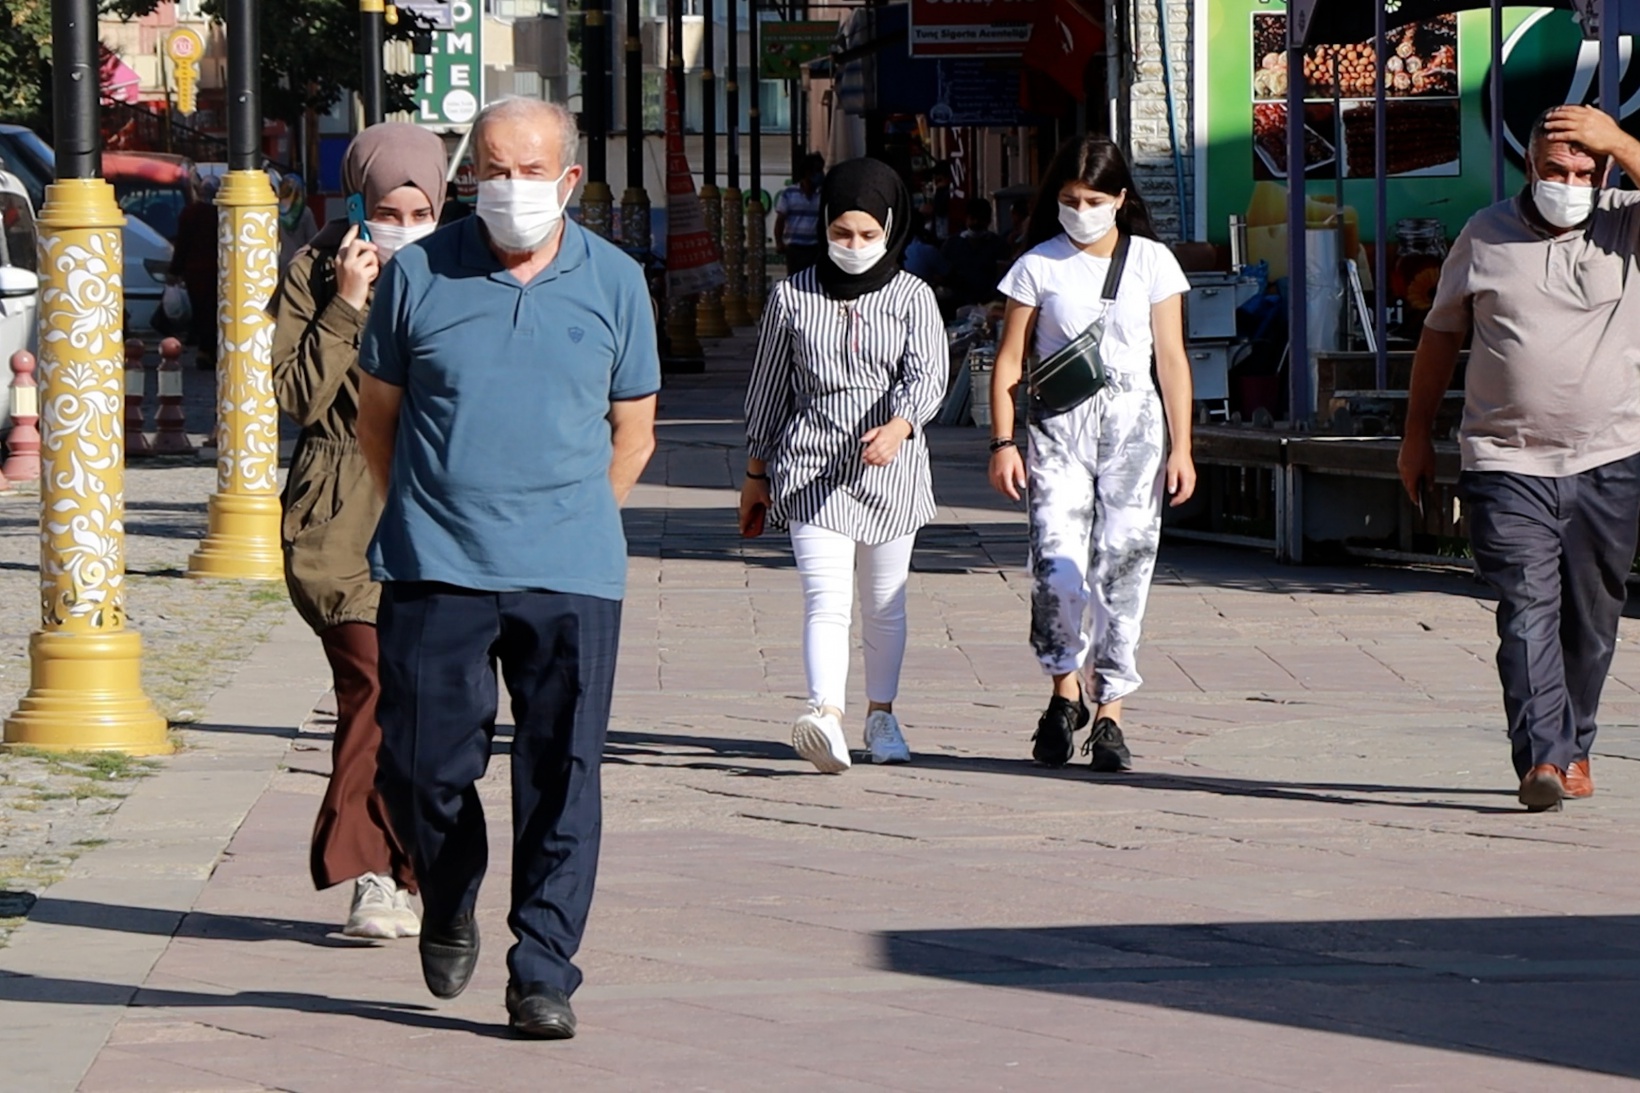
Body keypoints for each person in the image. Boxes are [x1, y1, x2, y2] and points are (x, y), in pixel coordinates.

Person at [357, 97, 660, 1039]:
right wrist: (425, 506)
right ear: (466, 177)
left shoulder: (614, 282)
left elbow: (635, 432)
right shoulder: (418, 278)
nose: (509, 187)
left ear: (568, 181)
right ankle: (447, 893)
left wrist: (570, 522)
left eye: (529, 171)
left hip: (568, 569)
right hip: (435, 562)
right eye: (491, 169)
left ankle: (542, 968)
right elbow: (377, 420)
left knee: (562, 772)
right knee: (416, 767)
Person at [1398, 105, 1640, 813]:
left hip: (1611, 456)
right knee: (1526, 605)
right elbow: (1441, 336)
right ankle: (1541, 755)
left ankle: (1576, 744)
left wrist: (1622, 142)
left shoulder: (1625, 221)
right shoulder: (1484, 234)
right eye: (1556, 170)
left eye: (1584, 172)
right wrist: (1417, 434)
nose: (1570, 182)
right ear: (1529, 168)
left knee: (1591, 622)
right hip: (1506, 460)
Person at [271, 123, 447, 939]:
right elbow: (298, 397)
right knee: (371, 686)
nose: (403, 223)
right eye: (387, 208)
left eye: (419, 209)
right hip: (341, 513)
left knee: (430, 708)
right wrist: (346, 303)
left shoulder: (465, 270)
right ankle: (372, 874)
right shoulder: (316, 270)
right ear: (359, 204)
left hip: (440, 508)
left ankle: (415, 871)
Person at [987, 136, 1196, 773]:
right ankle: (1063, 690)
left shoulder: (1154, 263)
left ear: (1120, 199)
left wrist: (1183, 447)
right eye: (1070, 200)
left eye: (1095, 199)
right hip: (1058, 429)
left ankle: (1111, 712)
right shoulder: (1037, 266)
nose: (1081, 210)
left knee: (1124, 568)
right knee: (1056, 567)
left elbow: (1173, 361)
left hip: (1136, 426)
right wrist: (1003, 442)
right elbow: (1010, 362)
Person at [742, 157, 948, 773]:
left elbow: (930, 374)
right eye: (840, 234)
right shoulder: (791, 297)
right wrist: (756, 476)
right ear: (824, 227)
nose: (853, 247)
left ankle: (881, 715)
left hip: (892, 473)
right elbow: (768, 390)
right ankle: (824, 715)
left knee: (886, 603)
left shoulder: (913, 297)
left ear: (890, 230)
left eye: (867, 236)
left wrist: (901, 425)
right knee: (824, 598)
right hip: (810, 470)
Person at [169, 171, 219, 370]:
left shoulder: (190, 213)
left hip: (194, 272)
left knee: (200, 312)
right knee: (214, 312)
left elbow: (182, 244)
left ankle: (204, 351)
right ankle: (210, 351)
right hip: (216, 271)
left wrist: (175, 270)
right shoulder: (221, 215)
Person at [941, 197, 1006, 308]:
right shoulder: (952, 244)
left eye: (981, 219)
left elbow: (1002, 274)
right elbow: (943, 274)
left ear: (988, 221)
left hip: (989, 302)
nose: (976, 223)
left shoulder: (998, 244)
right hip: (957, 303)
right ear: (966, 219)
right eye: (973, 218)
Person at [774, 153, 825, 275]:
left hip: (815, 248)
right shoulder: (789, 193)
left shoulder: (822, 194)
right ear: (808, 172)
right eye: (817, 170)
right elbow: (780, 220)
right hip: (795, 248)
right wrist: (779, 242)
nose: (820, 174)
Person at [277, 174, 320, 270]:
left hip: (278, 264)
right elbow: (313, 240)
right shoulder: (305, 212)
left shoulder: (274, 212)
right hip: (298, 264)